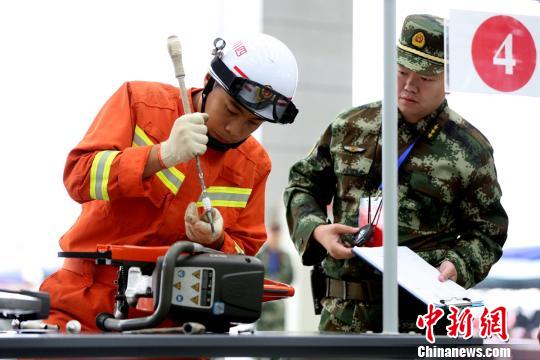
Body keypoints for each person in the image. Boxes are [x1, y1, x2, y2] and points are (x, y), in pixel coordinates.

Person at [40, 33, 299, 332]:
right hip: (85, 303)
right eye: (230, 110)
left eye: (252, 123)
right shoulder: (140, 103)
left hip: (180, 322)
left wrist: (215, 240)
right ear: (209, 81)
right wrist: (159, 156)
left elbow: (242, 258)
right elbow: (78, 177)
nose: (233, 128)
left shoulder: (254, 164)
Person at [284, 14, 508, 332]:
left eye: (425, 78)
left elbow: (489, 232)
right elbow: (302, 184)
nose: (408, 86)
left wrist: (459, 265)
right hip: (343, 319)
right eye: (402, 71)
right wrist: (317, 230)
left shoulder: (471, 150)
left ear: (449, 78)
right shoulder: (350, 126)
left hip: (420, 322)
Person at [255, 221, 294, 331]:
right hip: (263, 301)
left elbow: (290, 278)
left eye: (277, 233)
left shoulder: (285, 256)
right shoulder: (260, 255)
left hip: (278, 302)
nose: (275, 237)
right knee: (261, 334)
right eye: (273, 233)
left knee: (278, 333)